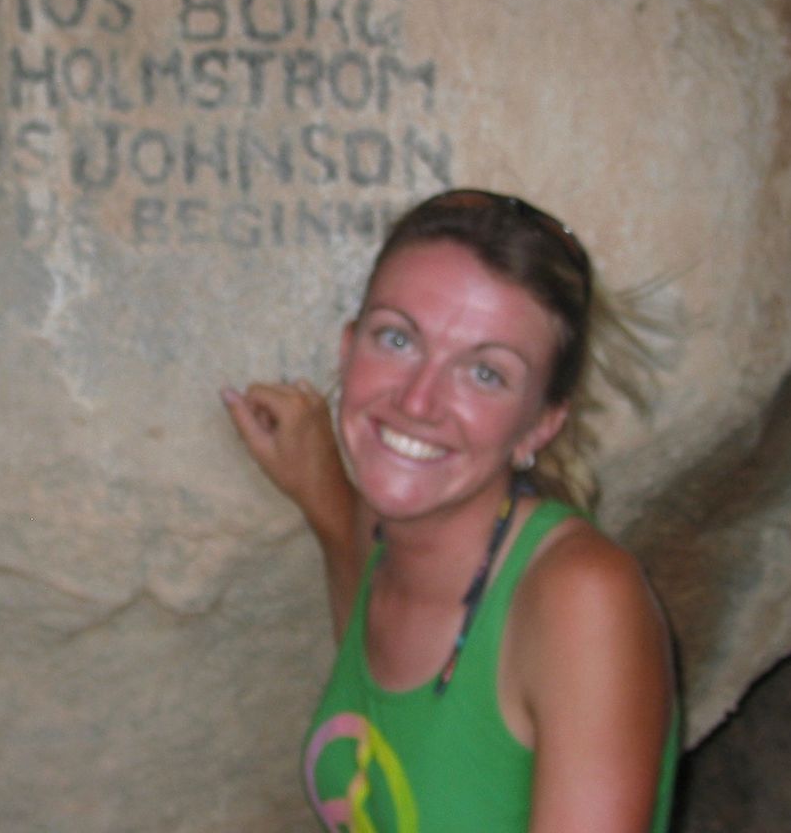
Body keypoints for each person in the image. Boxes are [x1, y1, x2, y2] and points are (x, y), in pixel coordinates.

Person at [223, 189, 678, 833]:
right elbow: (369, 620)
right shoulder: (390, 538)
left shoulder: (581, 601)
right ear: (348, 349)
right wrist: (321, 487)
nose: (417, 400)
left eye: (485, 374)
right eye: (397, 339)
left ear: (542, 424)